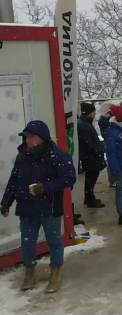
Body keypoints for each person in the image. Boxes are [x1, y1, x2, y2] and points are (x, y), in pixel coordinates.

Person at [1, 120, 77, 293]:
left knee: (54, 241)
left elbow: (69, 178)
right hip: (27, 207)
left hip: (49, 207)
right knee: (27, 243)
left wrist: (44, 187)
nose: (27, 140)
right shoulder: (22, 156)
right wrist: (6, 202)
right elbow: (14, 182)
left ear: (41, 138)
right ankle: (30, 274)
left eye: (30, 137)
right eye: (25, 137)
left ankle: (55, 274)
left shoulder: (58, 156)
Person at [104, 105, 122, 226]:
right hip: (120, 165)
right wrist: (115, 168)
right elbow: (111, 152)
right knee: (121, 189)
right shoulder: (112, 131)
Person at [77, 102, 107, 209]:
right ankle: (90, 198)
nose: (95, 114)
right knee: (91, 179)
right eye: (93, 112)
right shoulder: (84, 126)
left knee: (91, 179)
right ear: (88, 113)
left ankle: (90, 197)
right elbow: (88, 143)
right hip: (90, 157)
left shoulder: (84, 124)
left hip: (89, 156)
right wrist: (100, 149)